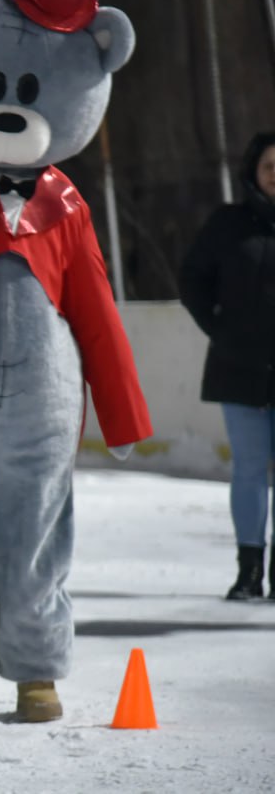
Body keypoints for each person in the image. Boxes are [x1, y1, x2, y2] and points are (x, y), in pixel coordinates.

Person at [179, 131, 275, 601]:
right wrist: (220, 330)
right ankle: (249, 570)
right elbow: (192, 279)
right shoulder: (228, 224)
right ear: (253, 174)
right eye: (269, 167)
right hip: (239, 369)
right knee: (250, 470)